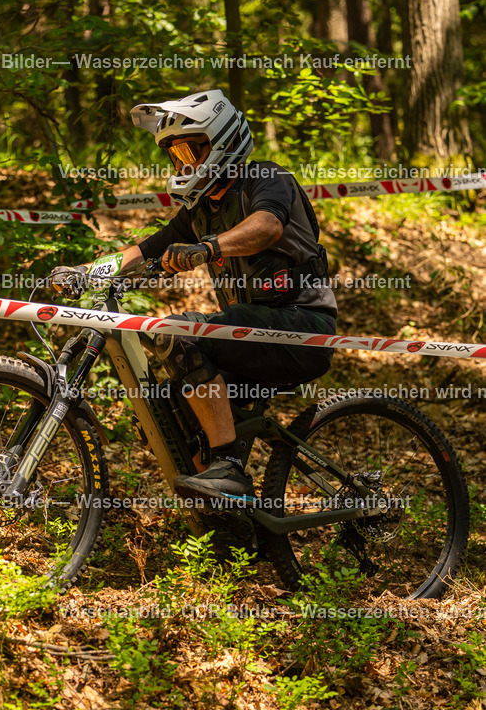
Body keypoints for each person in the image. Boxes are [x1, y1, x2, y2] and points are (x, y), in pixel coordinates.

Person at [50, 89, 337, 505]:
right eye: (175, 154)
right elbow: (144, 250)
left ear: (222, 141)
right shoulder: (201, 209)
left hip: (302, 324)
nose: (184, 162)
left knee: (180, 334)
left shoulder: (267, 179)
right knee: (172, 406)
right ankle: (225, 516)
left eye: (191, 149)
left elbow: (268, 226)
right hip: (251, 330)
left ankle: (229, 471)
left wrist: (209, 248)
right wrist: (86, 272)